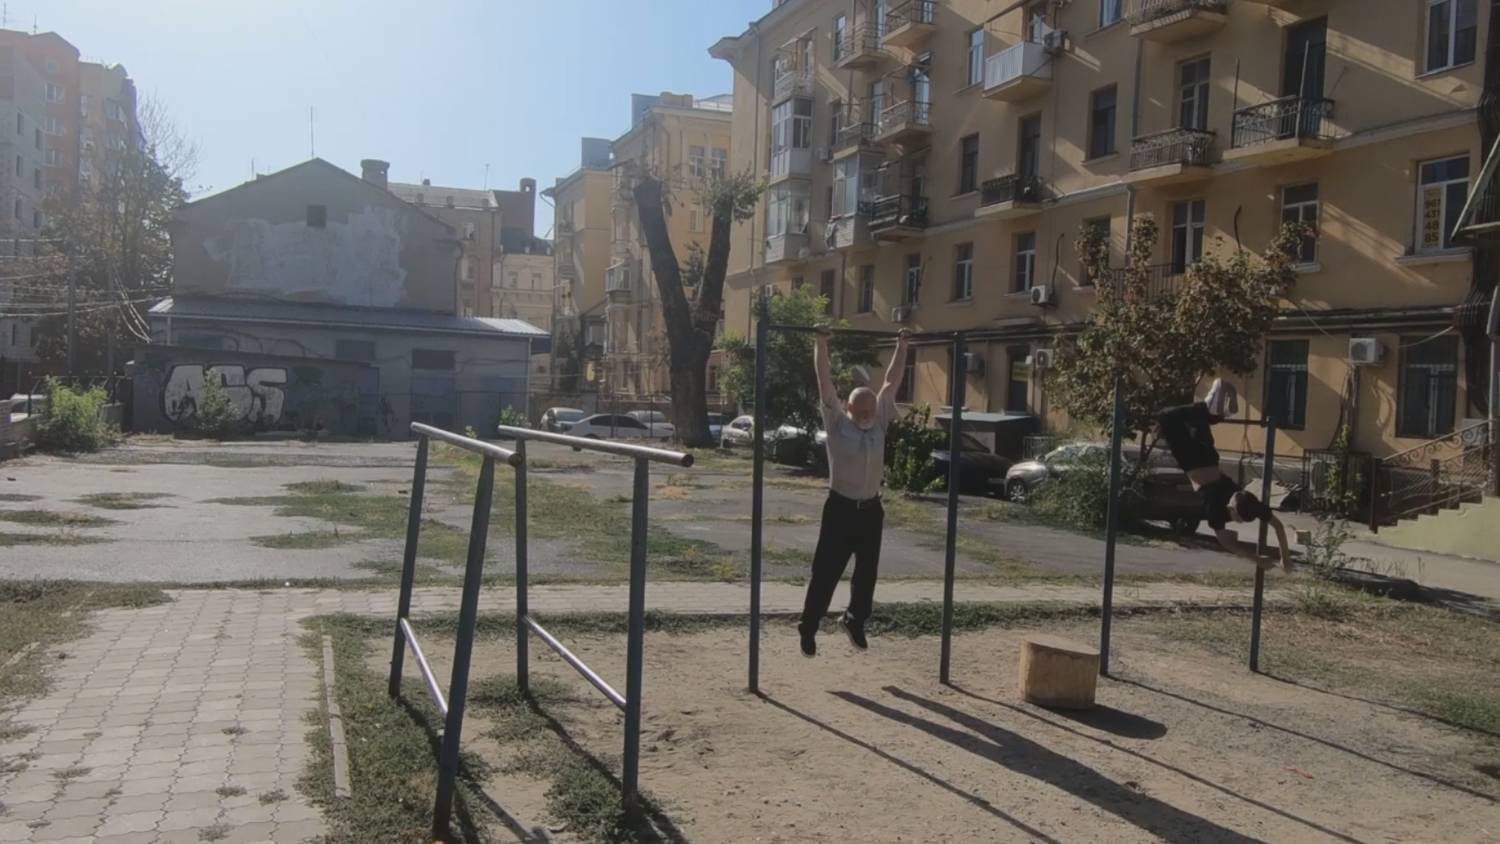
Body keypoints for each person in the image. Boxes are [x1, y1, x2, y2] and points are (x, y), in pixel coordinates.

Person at [798, 325, 911, 657]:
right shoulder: (837, 423)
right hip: (840, 509)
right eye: (860, 412)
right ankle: (808, 626)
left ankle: (854, 620)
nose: (866, 416)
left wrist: (902, 345)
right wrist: (820, 343)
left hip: (871, 510)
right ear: (848, 409)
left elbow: (891, 381)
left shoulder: (880, 420)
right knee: (826, 572)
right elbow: (824, 382)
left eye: (870, 411)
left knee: (867, 573)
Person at [1157, 379, 1293, 571]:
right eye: (1237, 517)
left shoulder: (1250, 502)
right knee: (1165, 417)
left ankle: (1218, 408)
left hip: (1209, 457)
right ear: (1233, 507)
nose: (1238, 522)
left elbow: (1278, 526)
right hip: (1191, 461)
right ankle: (1209, 406)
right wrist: (1256, 559)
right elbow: (1226, 542)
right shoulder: (1216, 508)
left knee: (1202, 418)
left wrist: (1285, 558)